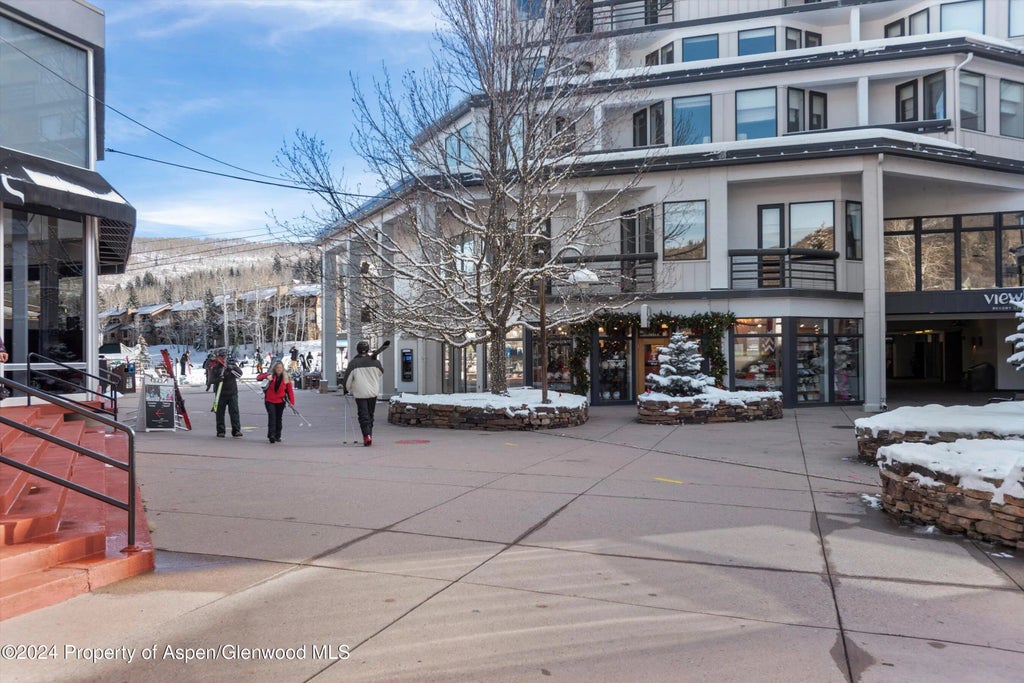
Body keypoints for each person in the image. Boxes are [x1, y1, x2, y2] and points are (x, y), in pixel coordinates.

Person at [342, 340, 383, 447]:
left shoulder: (353, 363)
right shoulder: (375, 362)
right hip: (373, 392)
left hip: (360, 393)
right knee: (370, 415)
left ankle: (366, 435)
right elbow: (380, 372)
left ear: (357, 350)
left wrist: (346, 389)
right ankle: (370, 435)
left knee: (363, 415)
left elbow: (347, 379)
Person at [256, 361, 295, 444]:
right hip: (270, 400)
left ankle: (277, 435)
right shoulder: (270, 375)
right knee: (272, 417)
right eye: (277, 368)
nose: (279, 369)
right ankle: (271, 435)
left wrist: (291, 402)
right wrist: (266, 376)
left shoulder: (286, 377)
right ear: (274, 368)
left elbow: (290, 391)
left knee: (278, 418)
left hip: (280, 401)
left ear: (283, 368)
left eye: (280, 368)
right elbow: (258, 378)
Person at [210, 351, 243, 438]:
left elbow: (240, 374)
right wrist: (218, 379)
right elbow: (210, 380)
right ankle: (221, 431)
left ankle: (236, 430)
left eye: (224, 356)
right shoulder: (215, 368)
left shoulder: (231, 365)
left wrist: (233, 368)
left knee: (234, 412)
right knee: (220, 413)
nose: (222, 358)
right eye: (221, 356)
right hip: (220, 394)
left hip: (232, 393)